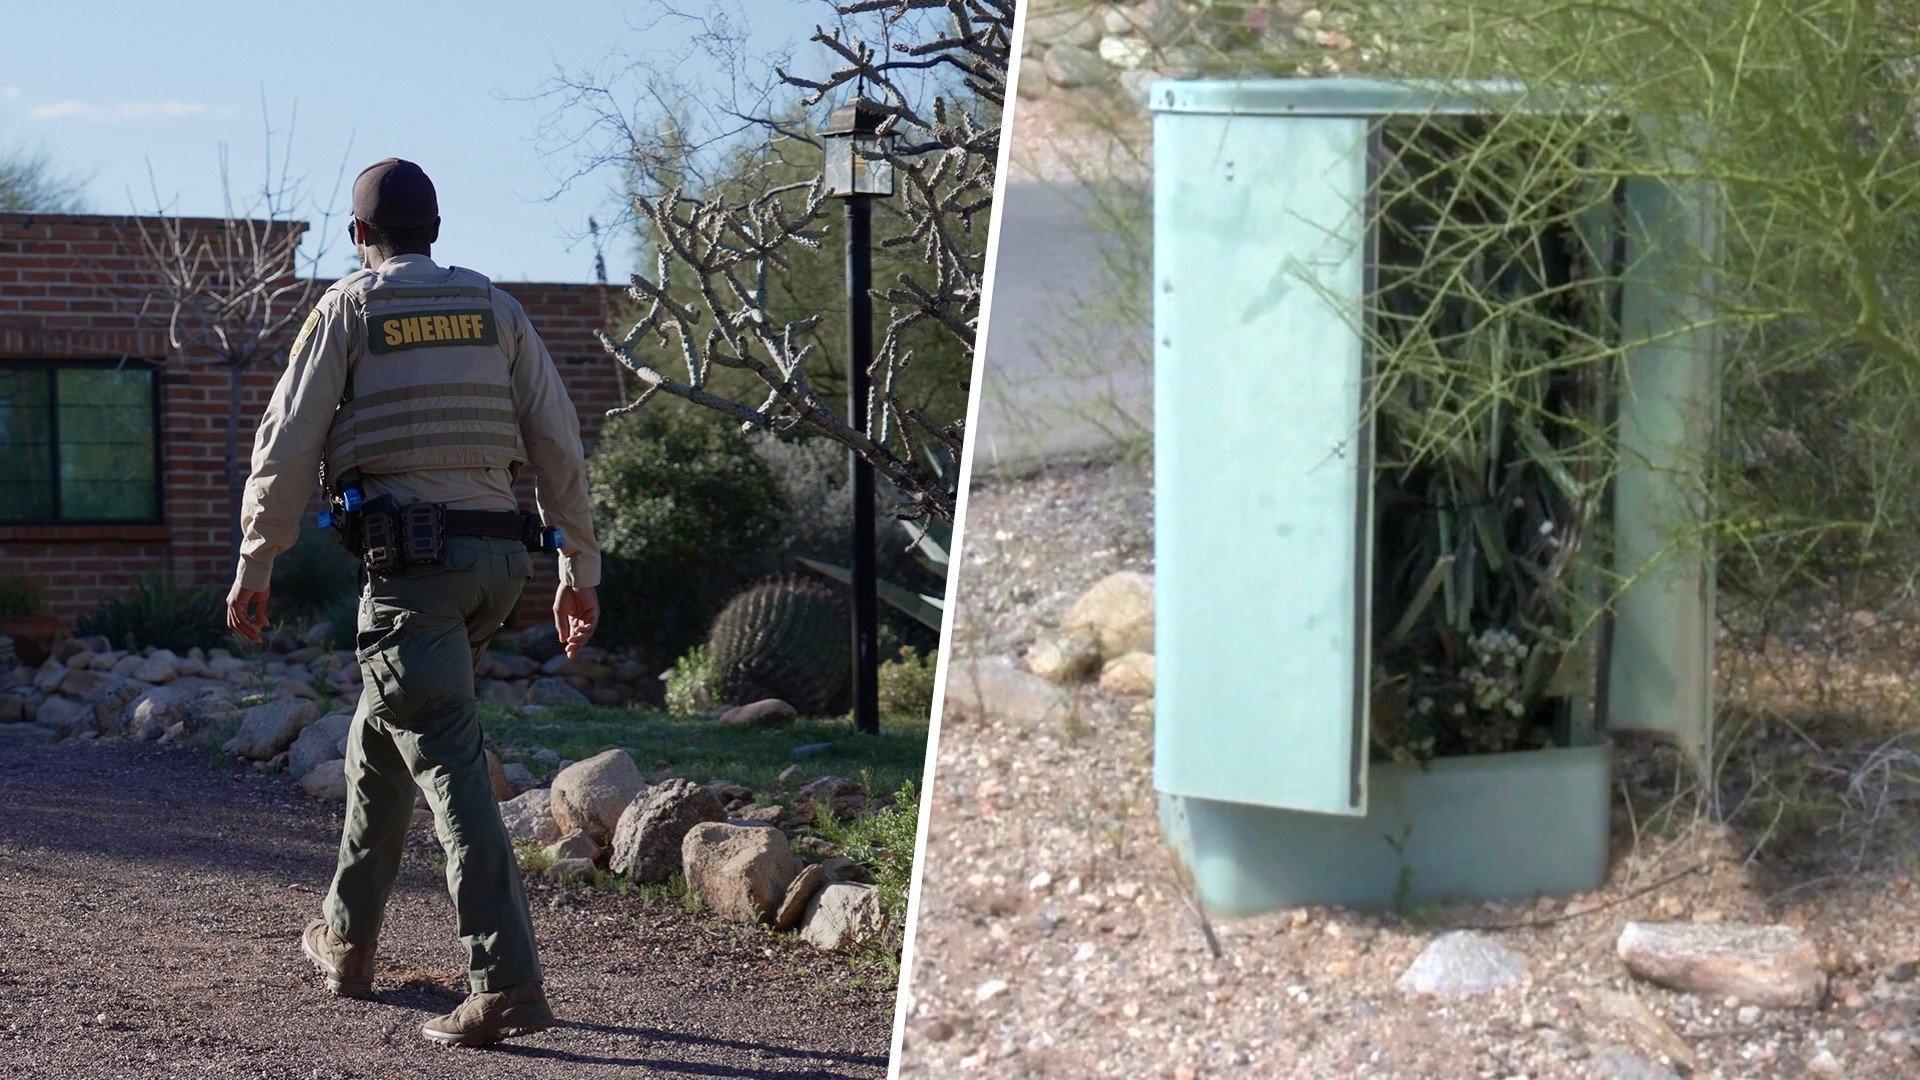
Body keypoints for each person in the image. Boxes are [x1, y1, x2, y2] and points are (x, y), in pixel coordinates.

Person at [224, 156, 602, 1048]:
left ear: (359, 237)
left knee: (448, 766)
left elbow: (286, 447)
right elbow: (558, 440)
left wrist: (255, 562)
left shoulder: (349, 308)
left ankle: (504, 983)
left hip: (410, 577)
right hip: (496, 570)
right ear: (436, 229)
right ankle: (348, 942)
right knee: (379, 744)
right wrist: (578, 569)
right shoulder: (495, 309)